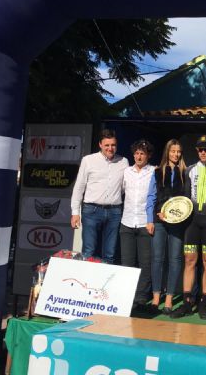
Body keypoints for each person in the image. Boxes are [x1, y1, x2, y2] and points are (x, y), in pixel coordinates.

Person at [171, 135, 206, 320]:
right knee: (189, 260)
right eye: (200, 149)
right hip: (192, 221)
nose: (203, 152)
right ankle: (187, 302)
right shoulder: (189, 170)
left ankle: (204, 301)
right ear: (196, 151)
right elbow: (184, 197)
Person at [70, 129, 128, 264]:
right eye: (107, 145)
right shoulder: (88, 160)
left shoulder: (123, 161)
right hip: (91, 211)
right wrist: (75, 212)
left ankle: (104, 285)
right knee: (89, 251)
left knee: (110, 253)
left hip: (114, 212)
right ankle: (86, 283)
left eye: (113, 145)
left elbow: (125, 187)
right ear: (100, 145)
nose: (110, 148)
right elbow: (79, 187)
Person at [148, 139, 186, 314]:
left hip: (178, 222)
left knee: (175, 259)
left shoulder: (186, 172)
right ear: (167, 152)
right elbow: (151, 198)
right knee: (157, 259)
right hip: (159, 221)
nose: (176, 155)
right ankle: (156, 298)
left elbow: (187, 200)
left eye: (178, 152)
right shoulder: (157, 172)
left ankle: (169, 299)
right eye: (173, 151)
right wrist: (151, 218)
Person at [120, 140, 156, 311]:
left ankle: (141, 297)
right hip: (126, 222)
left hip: (144, 223)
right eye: (136, 153)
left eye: (142, 153)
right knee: (127, 262)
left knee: (145, 262)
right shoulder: (126, 171)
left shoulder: (154, 171)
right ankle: (127, 296)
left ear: (148, 155)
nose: (139, 156)